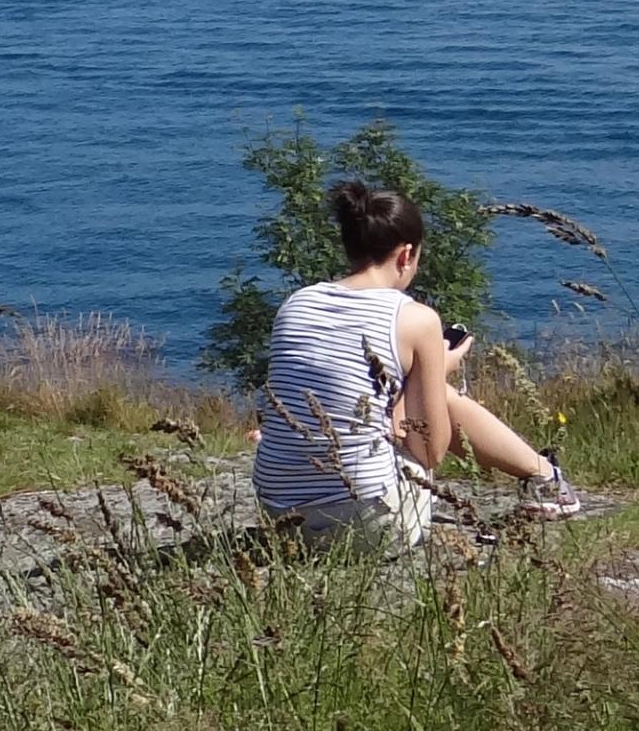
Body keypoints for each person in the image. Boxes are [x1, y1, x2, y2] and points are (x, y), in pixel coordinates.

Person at [251, 177, 587, 545]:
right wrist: (435, 370)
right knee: (441, 394)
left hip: (281, 520)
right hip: (369, 526)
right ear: (406, 255)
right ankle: (547, 479)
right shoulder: (415, 318)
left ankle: (545, 476)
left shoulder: (296, 304)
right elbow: (429, 452)